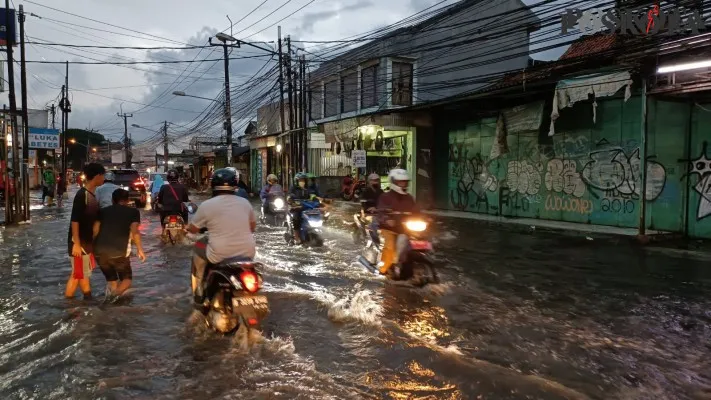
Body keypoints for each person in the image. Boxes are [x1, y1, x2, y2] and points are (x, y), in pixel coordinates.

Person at [185, 168, 256, 304]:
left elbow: (194, 229)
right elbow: (252, 227)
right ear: (235, 185)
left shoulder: (207, 205)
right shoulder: (245, 203)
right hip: (248, 252)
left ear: (213, 185)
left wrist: (187, 227)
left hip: (219, 254)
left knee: (198, 248)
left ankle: (199, 288)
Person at [93, 189, 146, 298]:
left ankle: (112, 301)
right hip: (119, 252)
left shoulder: (102, 211)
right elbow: (135, 231)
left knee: (112, 280)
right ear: (127, 200)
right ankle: (114, 297)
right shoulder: (133, 212)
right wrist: (140, 250)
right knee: (126, 280)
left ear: (112, 200)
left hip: (99, 252)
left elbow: (95, 230)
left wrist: (91, 248)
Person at [66, 163, 105, 299]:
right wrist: (76, 243)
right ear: (97, 176)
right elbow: (74, 220)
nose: (104, 178)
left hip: (87, 241)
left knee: (84, 272)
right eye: (103, 175)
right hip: (79, 242)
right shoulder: (82, 195)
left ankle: (88, 298)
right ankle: (68, 306)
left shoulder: (92, 195)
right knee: (77, 274)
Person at [376, 169, 418, 277]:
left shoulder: (409, 198)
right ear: (393, 182)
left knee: (424, 241)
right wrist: (387, 219)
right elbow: (380, 211)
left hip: (405, 229)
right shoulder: (385, 197)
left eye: (405, 182)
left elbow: (416, 211)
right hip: (389, 229)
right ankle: (383, 270)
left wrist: (426, 218)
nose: (403, 184)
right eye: (400, 182)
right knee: (389, 247)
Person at [287, 172, 316, 244]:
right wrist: (291, 200)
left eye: (303, 180)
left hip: (306, 208)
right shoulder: (293, 189)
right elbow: (289, 196)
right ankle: (296, 237)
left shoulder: (308, 189)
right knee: (296, 219)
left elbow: (313, 196)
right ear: (296, 181)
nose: (302, 182)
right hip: (296, 209)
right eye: (300, 180)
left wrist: (315, 199)